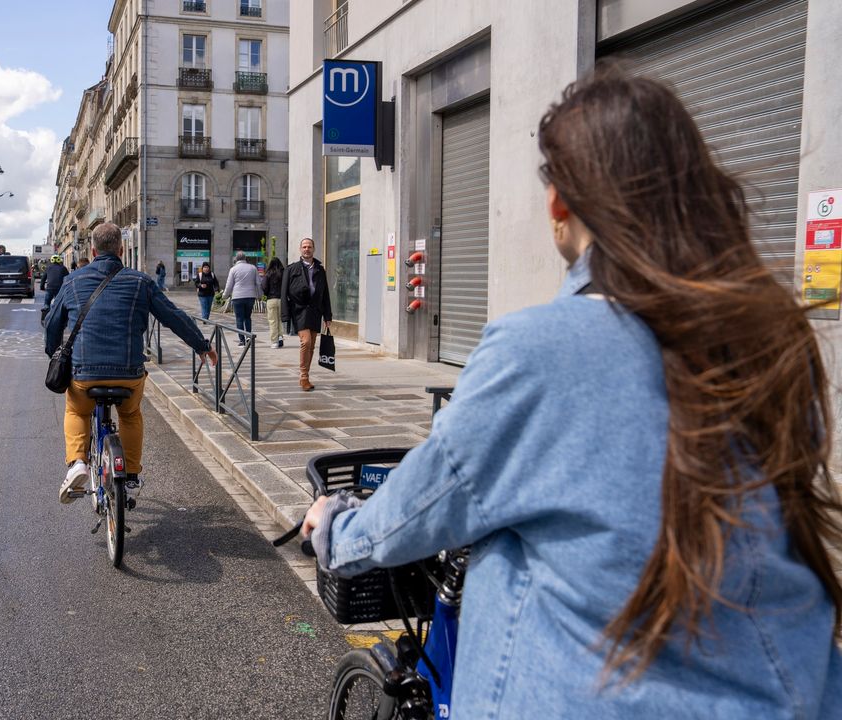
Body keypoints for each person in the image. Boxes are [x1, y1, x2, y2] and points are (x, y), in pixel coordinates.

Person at [301, 68, 842, 717]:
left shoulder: (541, 348)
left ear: (560, 201)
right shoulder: (765, 338)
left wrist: (337, 528)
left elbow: (426, 504)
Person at [45, 222, 218, 504]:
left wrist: (53, 352)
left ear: (92, 250)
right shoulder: (141, 281)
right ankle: (132, 473)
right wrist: (202, 346)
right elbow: (173, 316)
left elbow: (53, 325)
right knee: (129, 414)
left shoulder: (72, 281)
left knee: (76, 410)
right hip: (128, 373)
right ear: (122, 250)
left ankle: (77, 463)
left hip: (85, 374)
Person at [281, 238, 331, 391]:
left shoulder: (320, 270)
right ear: (300, 249)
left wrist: (327, 316)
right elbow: (284, 294)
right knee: (306, 342)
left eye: (309, 247)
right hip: (299, 311)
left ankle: (306, 376)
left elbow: (325, 294)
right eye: (304, 247)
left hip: (315, 311)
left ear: (313, 249)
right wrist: (285, 316)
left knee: (312, 346)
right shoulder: (291, 269)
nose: (307, 249)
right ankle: (304, 377)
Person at [223, 251, 260, 345]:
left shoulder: (233, 269)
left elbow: (229, 285)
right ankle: (248, 337)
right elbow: (258, 283)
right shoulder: (253, 268)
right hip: (250, 296)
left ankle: (241, 340)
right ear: (245, 258)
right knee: (248, 317)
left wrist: (225, 295)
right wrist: (259, 295)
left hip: (237, 297)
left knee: (239, 318)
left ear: (236, 259)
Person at [261, 257, 284, 349]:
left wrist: (266, 293)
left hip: (271, 299)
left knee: (272, 321)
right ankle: (280, 337)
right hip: (282, 299)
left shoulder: (268, 274)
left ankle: (274, 341)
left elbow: (264, 286)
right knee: (280, 320)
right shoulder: (283, 273)